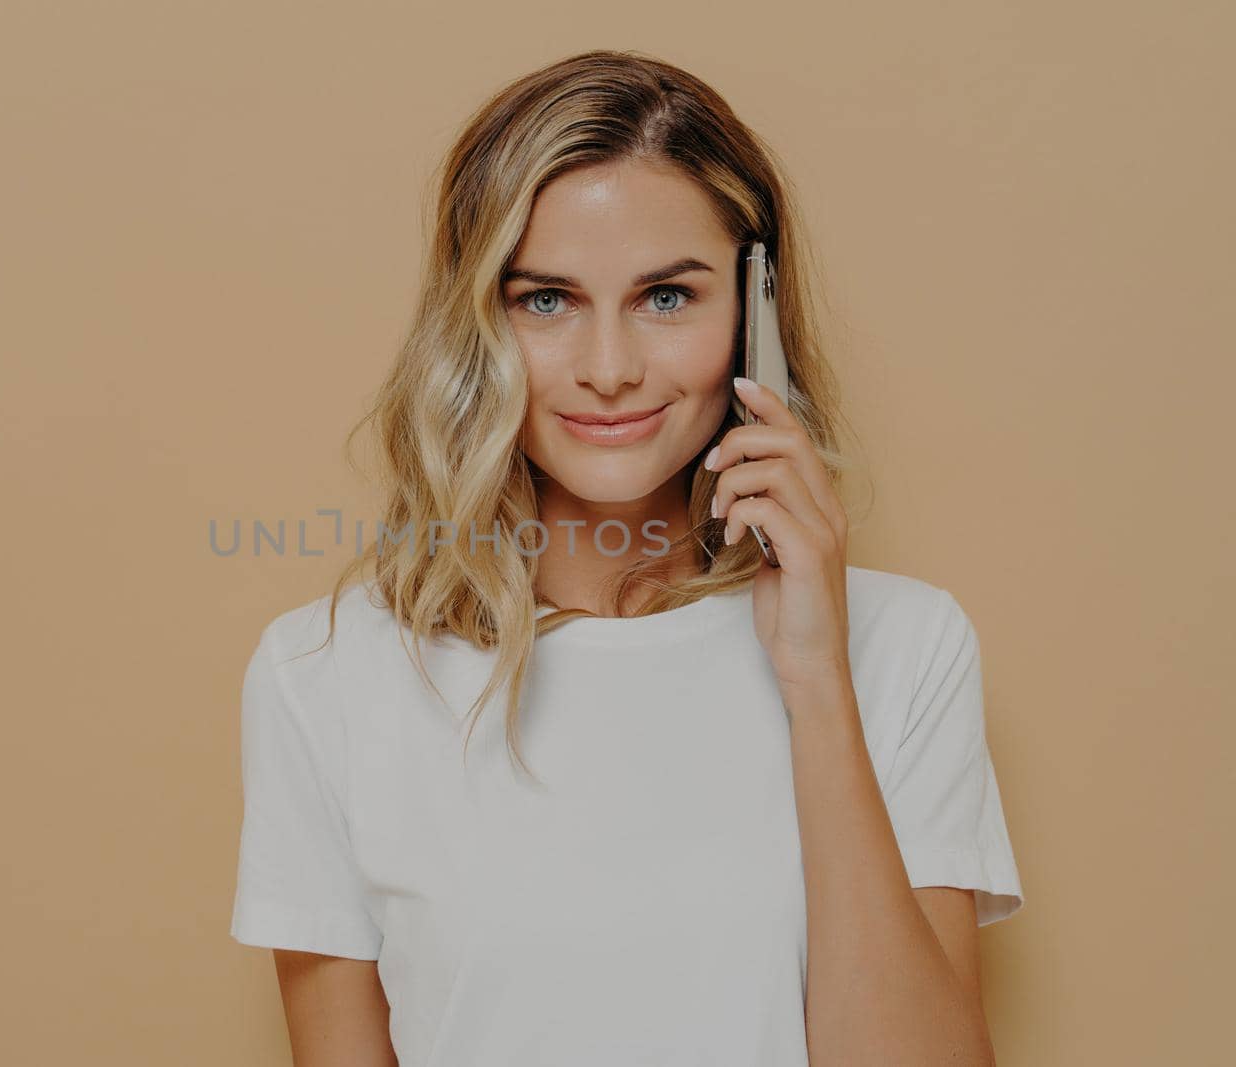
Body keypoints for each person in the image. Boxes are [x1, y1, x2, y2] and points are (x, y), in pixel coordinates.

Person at [228, 48, 1025, 1067]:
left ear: (754, 313)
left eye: (666, 298)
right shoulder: (322, 675)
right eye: (546, 300)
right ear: (474, 323)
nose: (609, 371)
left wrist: (817, 680)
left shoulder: (905, 646)